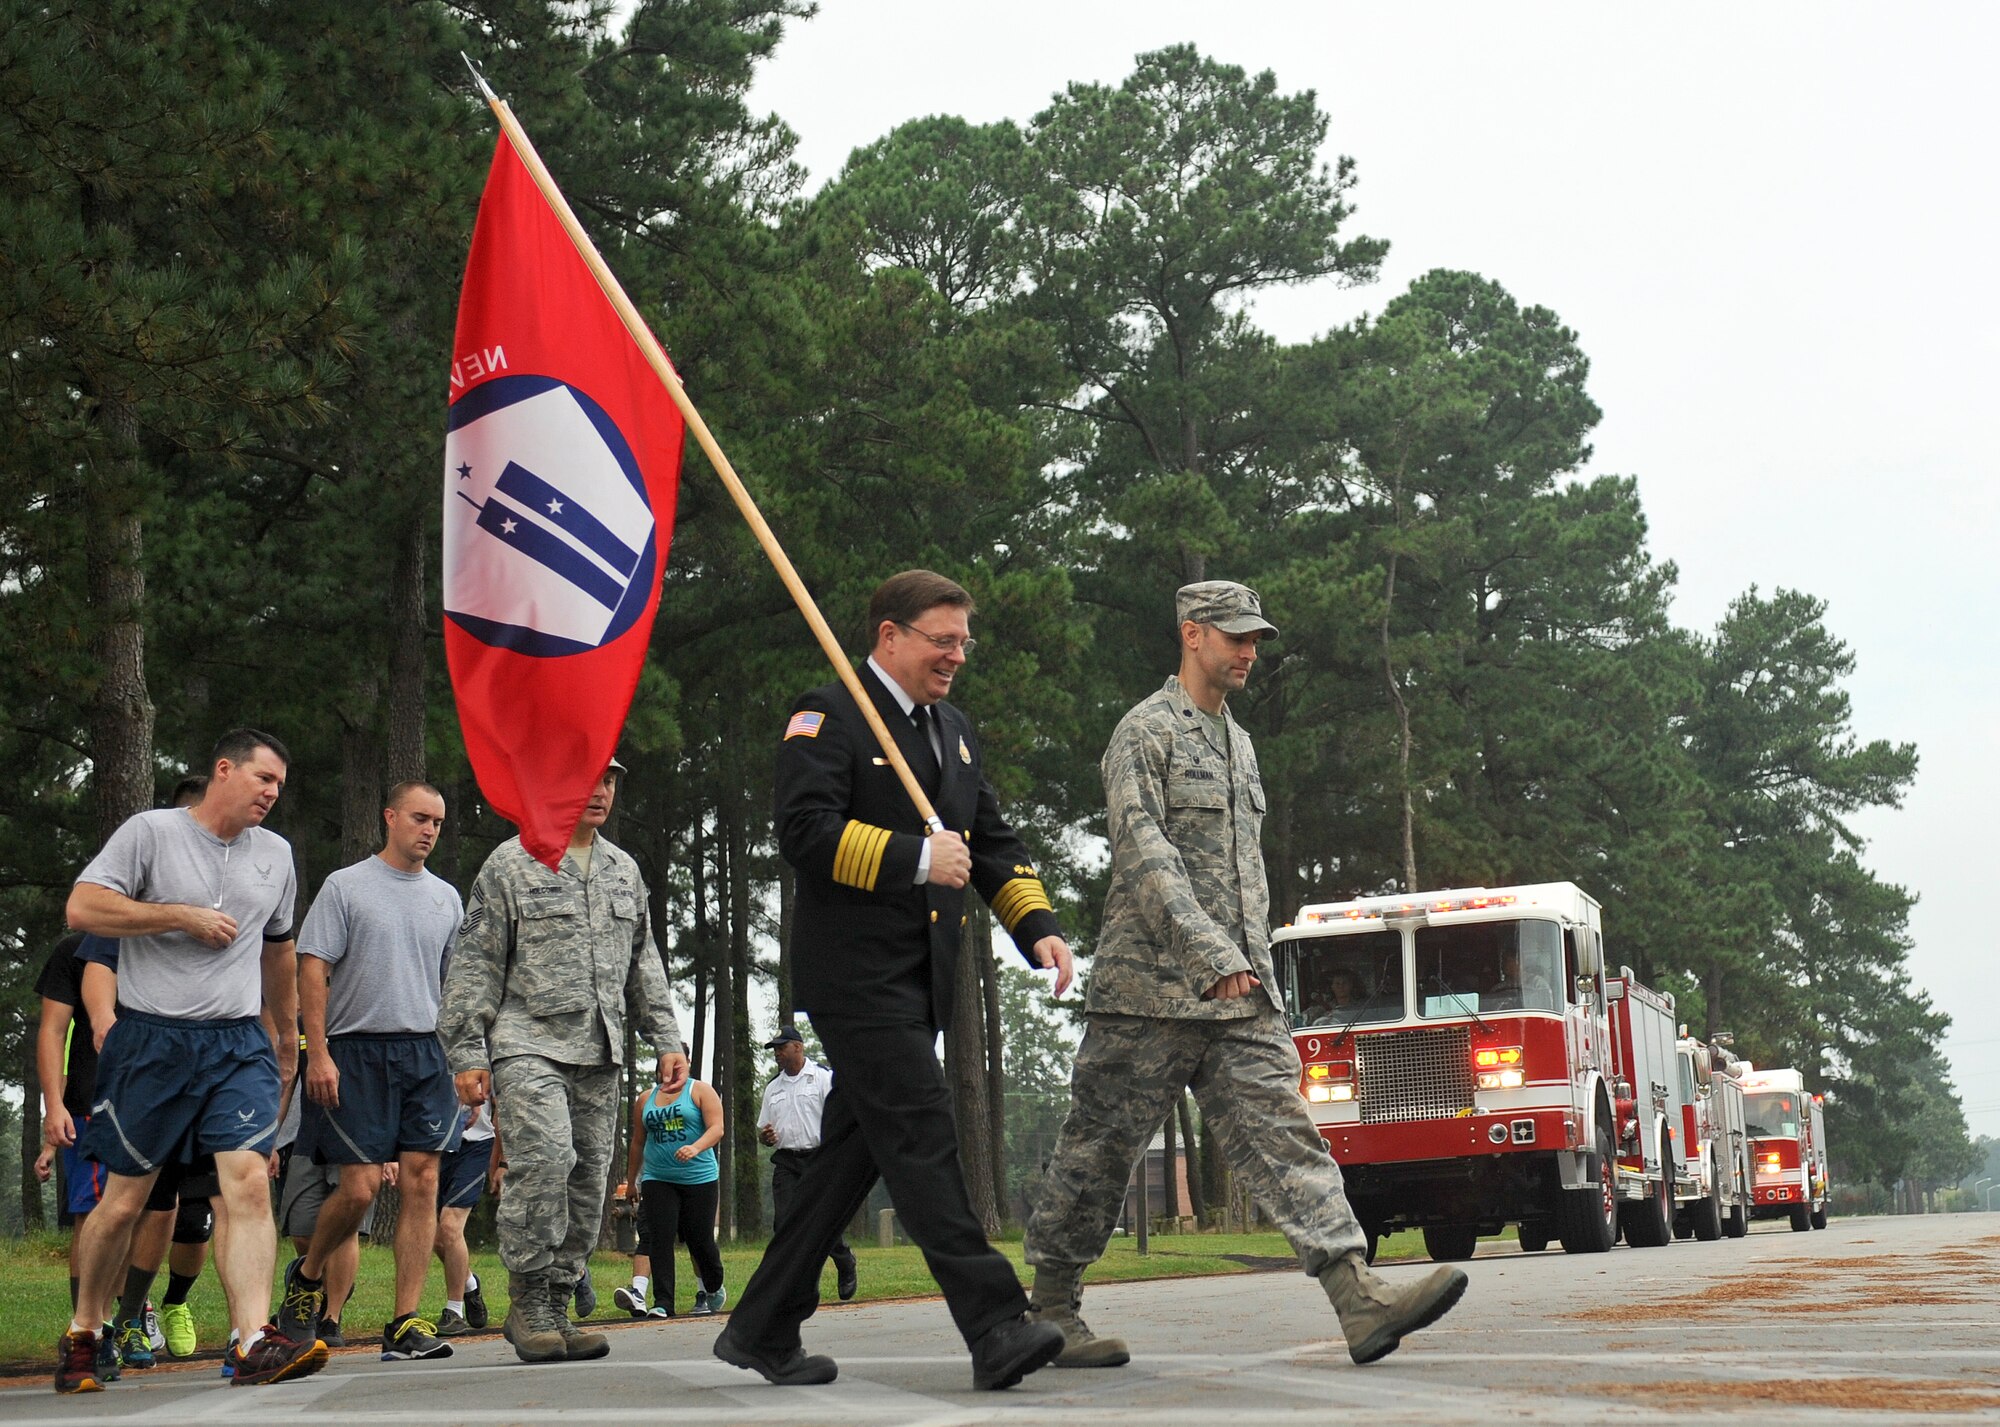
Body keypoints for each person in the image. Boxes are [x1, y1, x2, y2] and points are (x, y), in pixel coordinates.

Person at [1023, 582, 1469, 1369]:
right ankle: (1053, 1305)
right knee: (1098, 1152)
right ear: (1191, 635)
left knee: (1291, 1139)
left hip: (1242, 1001)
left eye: (1256, 637)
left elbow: (1248, 877)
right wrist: (1209, 953)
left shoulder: (1241, 744)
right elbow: (1145, 856)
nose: (1249, 650)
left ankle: (1358, 1297)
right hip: (1148, 995)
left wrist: (1257, 974)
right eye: (1234, 636)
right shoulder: (1143, 733)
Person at [714, 569, 1074, 1391]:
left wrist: (1038, 925)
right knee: (921, 1134)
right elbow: (804, 832)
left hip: (920, 984)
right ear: (889, 636)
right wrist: (915, 857)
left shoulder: (953, 730)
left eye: (963, 642)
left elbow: (991, 840)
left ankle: (763, 1324)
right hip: (855, 982)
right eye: (942, 639)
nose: (956, 655)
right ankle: (995, 1322)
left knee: (849, 1157)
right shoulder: (829, 714)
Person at [57, 728, 323, 1392]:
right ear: (222, 769)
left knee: (249, 1183)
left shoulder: (277, 855)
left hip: (236, 1044)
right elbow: (81, 905)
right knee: (123, 1202)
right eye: (263, 778)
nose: (271, 793)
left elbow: (278, 949)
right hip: (152, 1041)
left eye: (280, 786)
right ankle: (85, 1330)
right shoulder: (152, 834)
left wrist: (287, 1039)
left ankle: (253, 1337)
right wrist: (177, 915)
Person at [439, 753, 688, 1366]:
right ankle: (527, 1299)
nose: (600, 790)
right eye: (587, 776)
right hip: (527, 1042)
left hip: (600, 1049)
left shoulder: (623, 871)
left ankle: (555, 1297)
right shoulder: (510, 862)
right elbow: (475, 963)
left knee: (587, 1179)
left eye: (609, 779)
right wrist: (468, 1051)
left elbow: (644, 962)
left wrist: (667, 1038)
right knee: (546, 1159)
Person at [275, 781, 463, 1364]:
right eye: (418, 818)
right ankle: (307, 1277)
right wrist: (320, 1052)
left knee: (423, 1180)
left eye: (437, 821)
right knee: (357, 1189)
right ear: (390, 818)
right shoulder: (346, 886)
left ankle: (404, 1321)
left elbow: (456, 986)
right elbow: (312, 970)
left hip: (427, 1053)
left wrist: (465, 1060)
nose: (428, 830)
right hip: (355, 1052)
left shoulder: (446, 898)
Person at [756, 1025, 857, 1303]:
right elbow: (764, 1132)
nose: (777, 1053)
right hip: (787, 1162)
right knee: (785, 1224)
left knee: (824, 1220)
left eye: (781, 1047)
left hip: (820, 1158)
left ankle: (845, 1261)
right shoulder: (772, 1088)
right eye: (774, 1049)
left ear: (798, 1047)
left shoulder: (823, 1077)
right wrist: (765, 1136)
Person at [618, 1060, 726, 1318]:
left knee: (700, 1241)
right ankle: (663, 1302)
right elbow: (637, 1141)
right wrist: (631, 1180)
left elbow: (717, 1128)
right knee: (659, 1239)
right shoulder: (646, 1098)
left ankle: (713, 1285)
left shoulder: (699, 1091)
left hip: (699, 1178)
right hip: (658, 1178)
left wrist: (695, 1147)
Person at [433, 1101, 502, 1336]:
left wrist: (502, 1162)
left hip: (475, 1145)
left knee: (451, 1226)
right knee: (435, 1238)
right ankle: (470, 1283)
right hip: (431, 1142)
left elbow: (500, 1106)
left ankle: (454, 1311)